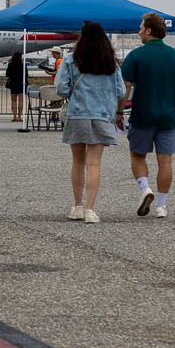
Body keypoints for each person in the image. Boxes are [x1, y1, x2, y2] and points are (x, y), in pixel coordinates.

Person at [55, 21, 126, 223]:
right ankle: (90, 210)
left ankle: (77, 206)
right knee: (94, 163)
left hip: (77, 114)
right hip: (102, 115)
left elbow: (61, 89)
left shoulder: (70, 60)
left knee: (77, 162)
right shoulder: (111, 63)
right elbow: (121, 91)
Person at [121, 12, 175, 219]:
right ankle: (161, 206)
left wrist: (119, 109)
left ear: (149, 31)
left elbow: (125, 85)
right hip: (167, 117)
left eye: (141, 27)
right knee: (165, 161)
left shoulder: (136, 55)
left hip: (142, 115)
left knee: (137, 155)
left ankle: (145, 189)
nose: (139, 31)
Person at [6, 50, 27, 122]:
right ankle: (19, 116)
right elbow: (26, 75)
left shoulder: (11, 64)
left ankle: (14, 116)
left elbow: (7, 74)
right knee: (21, 101)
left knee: (13, 101)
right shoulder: (23, 65)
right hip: (22, 84)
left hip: (13, 83)